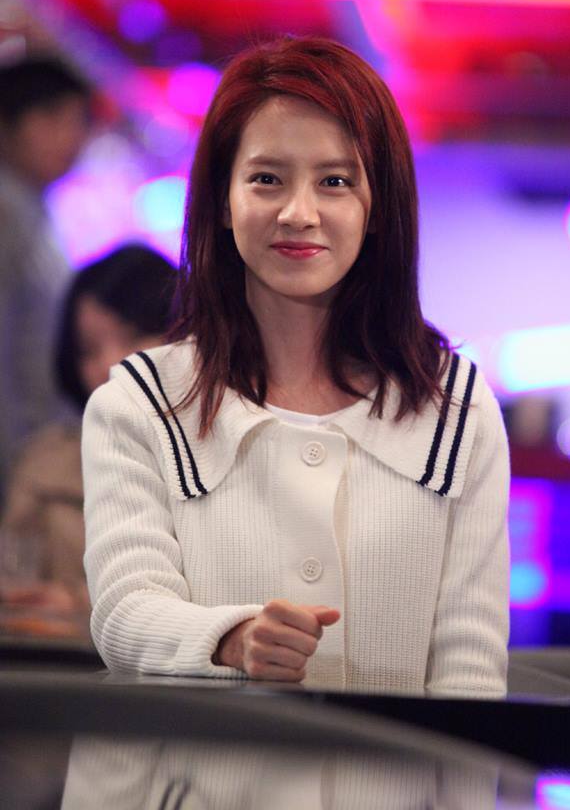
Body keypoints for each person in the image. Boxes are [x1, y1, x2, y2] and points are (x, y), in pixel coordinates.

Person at [82, 37, 510, 697]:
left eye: (335, 182)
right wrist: (233, 640)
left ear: (378, 207)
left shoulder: (457, 409)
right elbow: (123, 613)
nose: (299, 214)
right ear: (222, 201)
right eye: (267, 179)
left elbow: (470, 674)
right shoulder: (140, 403)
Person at [0, 245, 177, 635]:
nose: (109, 364)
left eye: (133, 337)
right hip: (53, 661)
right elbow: (15, 575)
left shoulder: (214, 452)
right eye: (87, 350)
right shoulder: (43, 460)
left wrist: (78, 603)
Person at [0, 56, 92, 496]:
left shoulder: (30, 208)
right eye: (52, 117)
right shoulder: (7, 212)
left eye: (80, 121)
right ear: (6, 124)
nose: (70, 137)